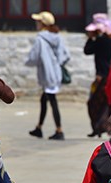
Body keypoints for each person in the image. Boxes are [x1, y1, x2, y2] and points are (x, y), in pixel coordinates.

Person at [26, 11, 70, 140]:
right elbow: (65, 55)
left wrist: (28, 62)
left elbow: (34, 57)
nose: (36, 23)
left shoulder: (40, 39)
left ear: (43, 24)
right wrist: (56, 63)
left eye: (38, 21)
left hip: (46, 74)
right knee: (44, 99)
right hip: (55, 73)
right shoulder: (58, 37)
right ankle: (39, 128)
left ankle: (59, 130)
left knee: (52, 100)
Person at [84, 13, 111, 138]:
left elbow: (87, 50)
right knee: (108, 103)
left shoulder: (100, 41)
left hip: (101, 76)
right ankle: (107, 127)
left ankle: (99, 127)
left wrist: (91, 38)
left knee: (93, 102)